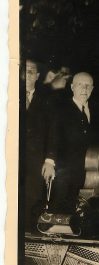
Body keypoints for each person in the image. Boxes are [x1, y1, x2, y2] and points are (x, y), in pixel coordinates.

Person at [42, 72, 99, 213]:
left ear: (92, 88)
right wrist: (49, 162)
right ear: (72, 87)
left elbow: (92, 137)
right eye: (80, 85)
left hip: (87, 170)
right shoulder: (61, 109)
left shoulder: (96, 110)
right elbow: (53, 136)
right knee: (60, 209)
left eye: (88, 86)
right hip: (65, 169)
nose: (84, 89)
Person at [20, 60, 51, 231]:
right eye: (24, 70)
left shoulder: (48, 101)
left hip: (35, 163)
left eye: (31, 71)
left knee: (32, 202)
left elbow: (53, 133)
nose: (26, 74)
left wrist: (49, 160)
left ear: (38, 76)